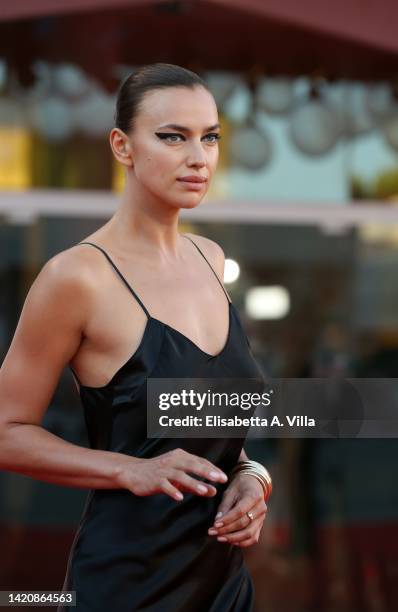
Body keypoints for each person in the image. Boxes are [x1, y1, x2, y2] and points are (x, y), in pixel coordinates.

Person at [0, 63, 270, 611]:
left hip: (223, 585)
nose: (199, 158)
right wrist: (130, 469)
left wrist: (252, 475)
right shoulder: (76, 277)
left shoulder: (211, 259)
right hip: (127, 585)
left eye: (210, 138)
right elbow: (6, 431)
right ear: (122, 147)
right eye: (173, 137)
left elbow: (216, 417)